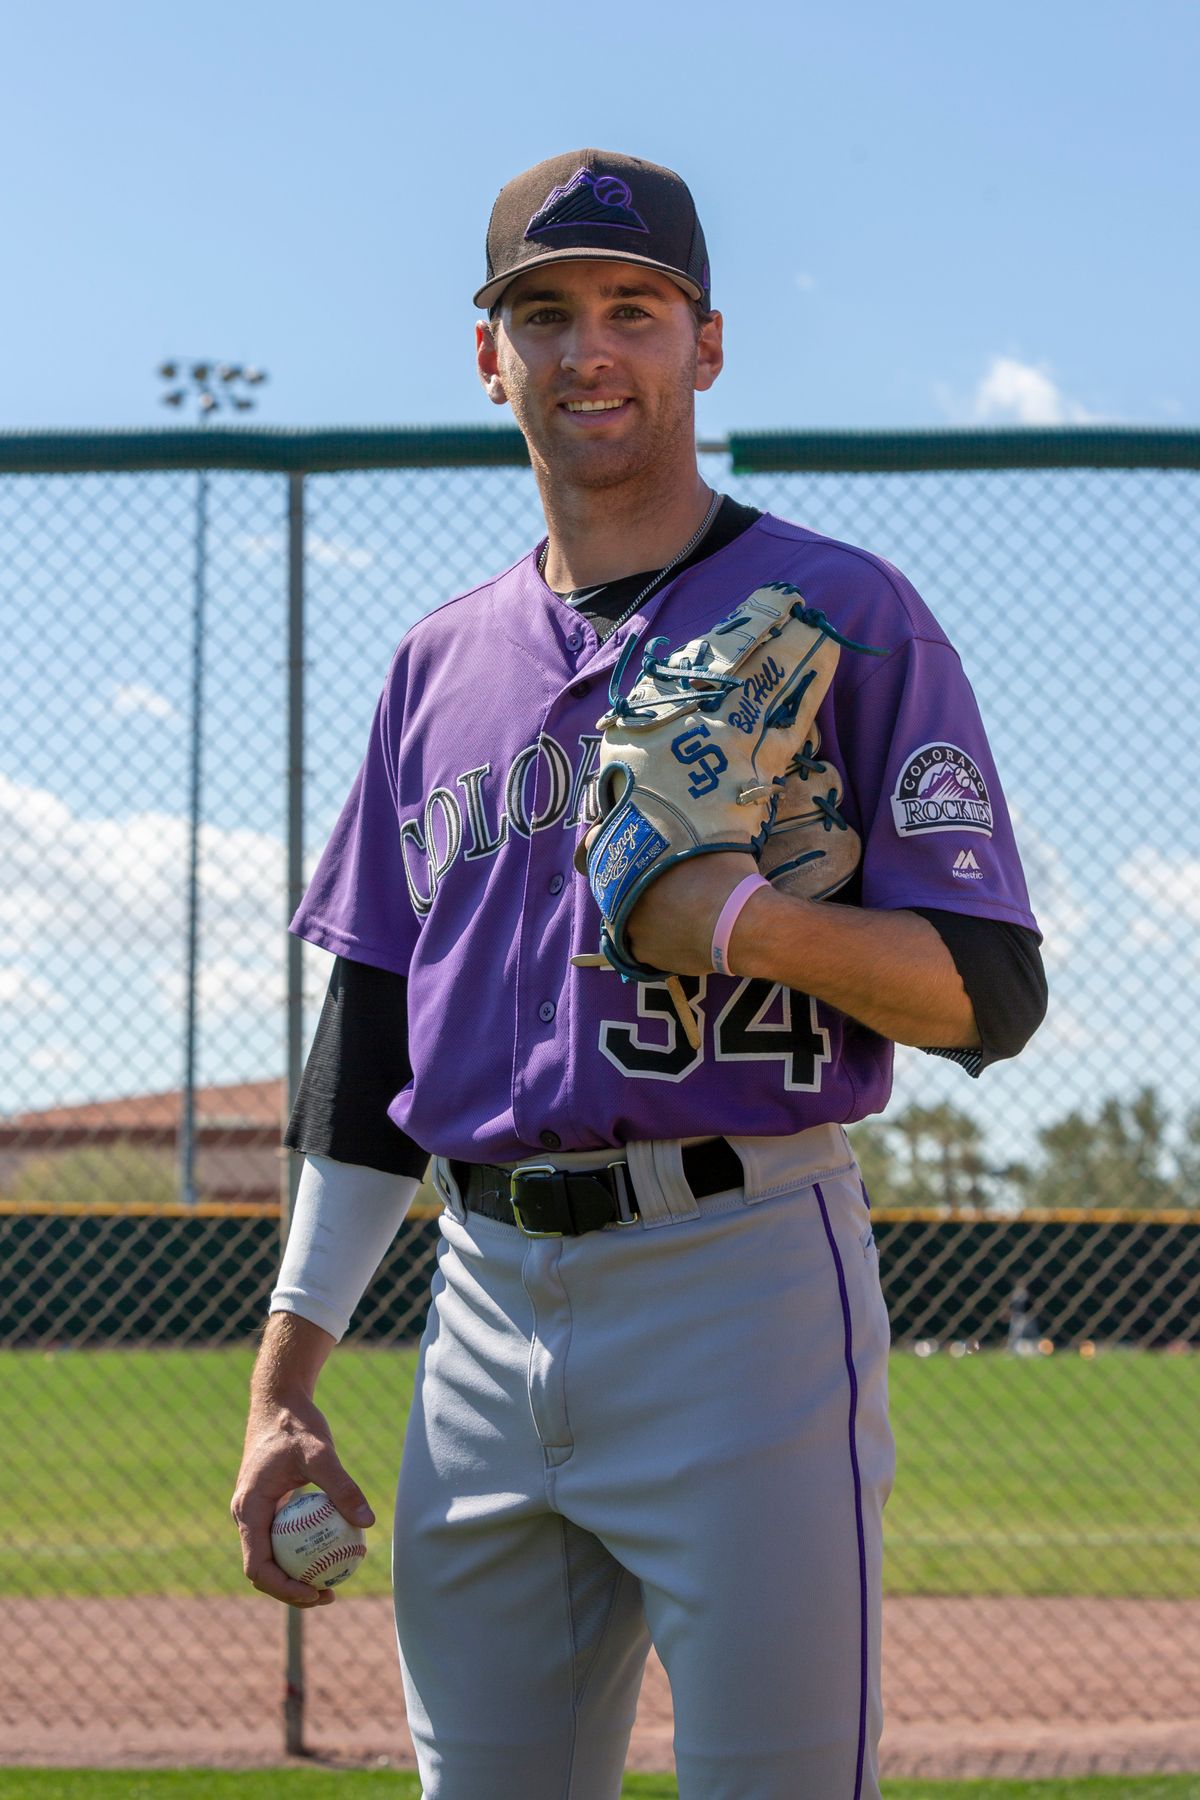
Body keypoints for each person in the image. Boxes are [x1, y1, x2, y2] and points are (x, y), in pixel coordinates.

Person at [231, 149, 1047, 1800]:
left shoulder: (842, 611)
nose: (588, 349)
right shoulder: (435, 666)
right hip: (478, 1306)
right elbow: (371, 1036)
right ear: (490, 357)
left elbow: (991, 996)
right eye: (544, 314)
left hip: (739, 1275)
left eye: (632, 309)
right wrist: (284, 1386)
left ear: (707, 344)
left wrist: (740, 924)